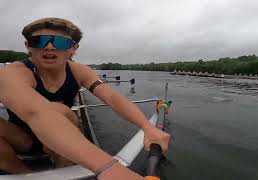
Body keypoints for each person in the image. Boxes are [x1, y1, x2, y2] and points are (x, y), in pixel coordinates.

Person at [0, 17, 170, 179]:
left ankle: (64, 169)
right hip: (24, 141)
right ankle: (21, 173)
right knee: (54, 109)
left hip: (65, 141)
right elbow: (36, 112)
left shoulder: (78, 71)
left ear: (73, 48)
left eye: (60, 42)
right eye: (39, 41)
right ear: (28, 46)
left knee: (61, 111)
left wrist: (147, 127)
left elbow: (111, 96)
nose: (49, 47)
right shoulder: (12, 73)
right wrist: (107, 166)